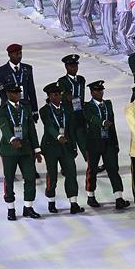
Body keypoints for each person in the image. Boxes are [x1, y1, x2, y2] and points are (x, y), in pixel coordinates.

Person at [0, 82, 43, 221]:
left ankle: (28, 207)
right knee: (9, 179)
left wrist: (37, 149)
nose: (18, 94)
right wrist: (12, 139)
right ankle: (11, 208)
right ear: (8, 94)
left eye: (19, 92)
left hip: (26, 150)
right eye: (15, 92)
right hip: (9, 151)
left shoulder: (26, 107)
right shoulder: (1, 110)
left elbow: (31, 129)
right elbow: (4, 127)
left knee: (30, 178)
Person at [83, 80, 130, 210]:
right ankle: (90, 195)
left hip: (108, 142)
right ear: (92, 92)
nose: (100, 92)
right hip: (94, 143)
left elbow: (112, 124)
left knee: (113, 169)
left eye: (101, 90)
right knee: (92, 171)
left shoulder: (108, 104)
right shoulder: (87, 106)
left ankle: (119, 197)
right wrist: (103, 122)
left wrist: (115, 143)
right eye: (97, 90)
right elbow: (92, 118)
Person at [40, 83, 84, 215]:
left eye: (59, 94)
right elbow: (48, 126)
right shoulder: (44, 110)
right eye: (55, 94)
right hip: (51, 147)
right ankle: (51, 201)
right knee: (52, 174)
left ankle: (73, 202)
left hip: (66, 147)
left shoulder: (67, 109)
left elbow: (71, 129)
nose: (58, 96)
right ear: (49, 96)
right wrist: (58, 136)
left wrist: (74, 146)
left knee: (71, 172)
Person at [57, 54, 87, 161]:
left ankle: (91, 165)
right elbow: (67, 97)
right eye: (71, 66)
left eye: (76, 66)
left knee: (84, 141)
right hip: (68, 117)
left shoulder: (81, 79)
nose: (74, 68)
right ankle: (67, 166)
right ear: (66, 67)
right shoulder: (62, 81)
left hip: (80, 115)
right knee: (69, 142)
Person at [0, 43, 38, 120]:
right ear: (9, 55)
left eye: (20, 53)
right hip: (11, 108)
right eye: (16, 54)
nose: (19, 56)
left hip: (26, 107)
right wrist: (9, 106)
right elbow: (1, 91)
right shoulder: (1, 71)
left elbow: (31, 90)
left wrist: (35, 110)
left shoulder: (28, 68)